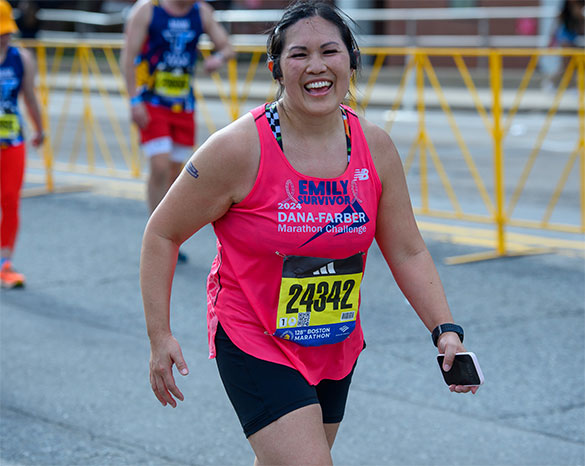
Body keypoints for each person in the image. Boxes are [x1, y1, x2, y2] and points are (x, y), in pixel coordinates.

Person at [140, 1, 479, 463]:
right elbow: (161, 233)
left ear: (351, 61)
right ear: (276, 68)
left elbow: (407, 250)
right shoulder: (238, 149)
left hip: (334, 340)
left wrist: (445, 331)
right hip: (253, 335)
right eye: (298, 54)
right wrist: (160, 336)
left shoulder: (374, 147)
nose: (316, 66)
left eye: (330, 51)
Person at [121, 0, 233, 263]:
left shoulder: (201, 12)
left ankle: (166, 232)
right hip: (151, 101)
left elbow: (227, 46)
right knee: (159, 167)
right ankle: (155, 234)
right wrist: (134, 100)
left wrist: (218, 57)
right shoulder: (147, 10)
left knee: (174, 171)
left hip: (183, 104)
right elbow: (128, 56)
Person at [0, 0, 44, 289]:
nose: (4, 37)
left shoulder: (21, 59)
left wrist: (40, 129)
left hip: (12, 141)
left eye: (6, 32)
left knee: (11, 201)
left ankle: (5, 262)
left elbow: (29, 96)